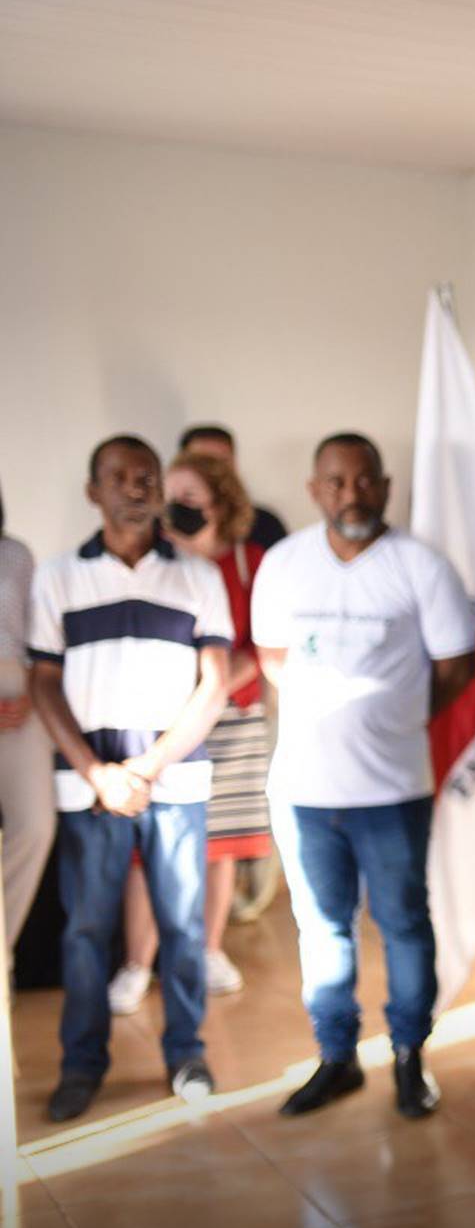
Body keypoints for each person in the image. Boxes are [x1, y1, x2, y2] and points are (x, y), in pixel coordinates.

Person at [252, 433, 475, 1120]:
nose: (352, 494)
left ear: (385, 486)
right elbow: (272, 658)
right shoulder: (284, 564)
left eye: (364, 480)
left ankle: (409, 1055)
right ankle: (337, 1058)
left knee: (403, 922)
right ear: (315, 490)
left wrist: (393, 718)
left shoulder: (421, 566)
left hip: (392, 789)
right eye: (336, 482)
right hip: (304, 791)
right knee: (322, 928)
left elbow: (456, 667)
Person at [27, 436, 232, 1121]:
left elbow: (214, 684)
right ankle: (82, 1065)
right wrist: (98, 774)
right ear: (94, 492)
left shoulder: (198, 576)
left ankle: (186, 1052)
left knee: (182, 924)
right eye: (120, 477)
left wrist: (148, 766)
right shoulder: (58, 576)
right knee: (86, 929)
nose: (136, 487)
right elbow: (43, 682)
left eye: (147, 476)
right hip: (89, 786)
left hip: (172, 780)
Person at [108, 453, 272, 1012]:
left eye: (189, 497)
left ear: (219, 502)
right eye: (169, 495)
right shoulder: (154, 561)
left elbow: (262, 643)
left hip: (231, 718)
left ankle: (209, 950)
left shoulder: (250, 564)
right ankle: (137, 964)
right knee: (150, 845)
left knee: (219, 845)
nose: (174, 507)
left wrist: (213, 690)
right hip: (163, 721)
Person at [0, 479, 56, 949]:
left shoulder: (16, 554)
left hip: (19, 695)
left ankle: (2, 956)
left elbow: (40, 634)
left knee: (36, 826)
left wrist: (34, 694)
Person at [179, 425, 288, 550]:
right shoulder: (166, 530)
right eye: (203, 462)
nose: (213, 471)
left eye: (222, 462)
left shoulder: (265, 524)